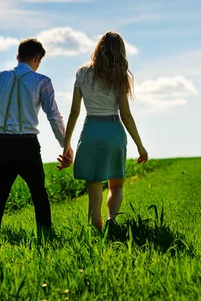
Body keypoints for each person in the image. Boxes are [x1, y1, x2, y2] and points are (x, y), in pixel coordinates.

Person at [0, 38, 73, 233]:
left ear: (18, 56)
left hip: (1, 145)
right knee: (39, 194)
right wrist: (66, 146)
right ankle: (46, 235)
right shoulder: (42, 81)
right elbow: (53, 116)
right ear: (37, 58)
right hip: (27, 145)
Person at [58, 31, 148, 232]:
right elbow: (125, 115)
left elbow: (74, 111)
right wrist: (140, 146)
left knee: (94, 191)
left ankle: (96, 233)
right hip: (113, 130)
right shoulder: (120, 76)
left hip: (90, 131)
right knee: (116, 185)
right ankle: (112, 220)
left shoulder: (82, 73)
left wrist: (67, 144)